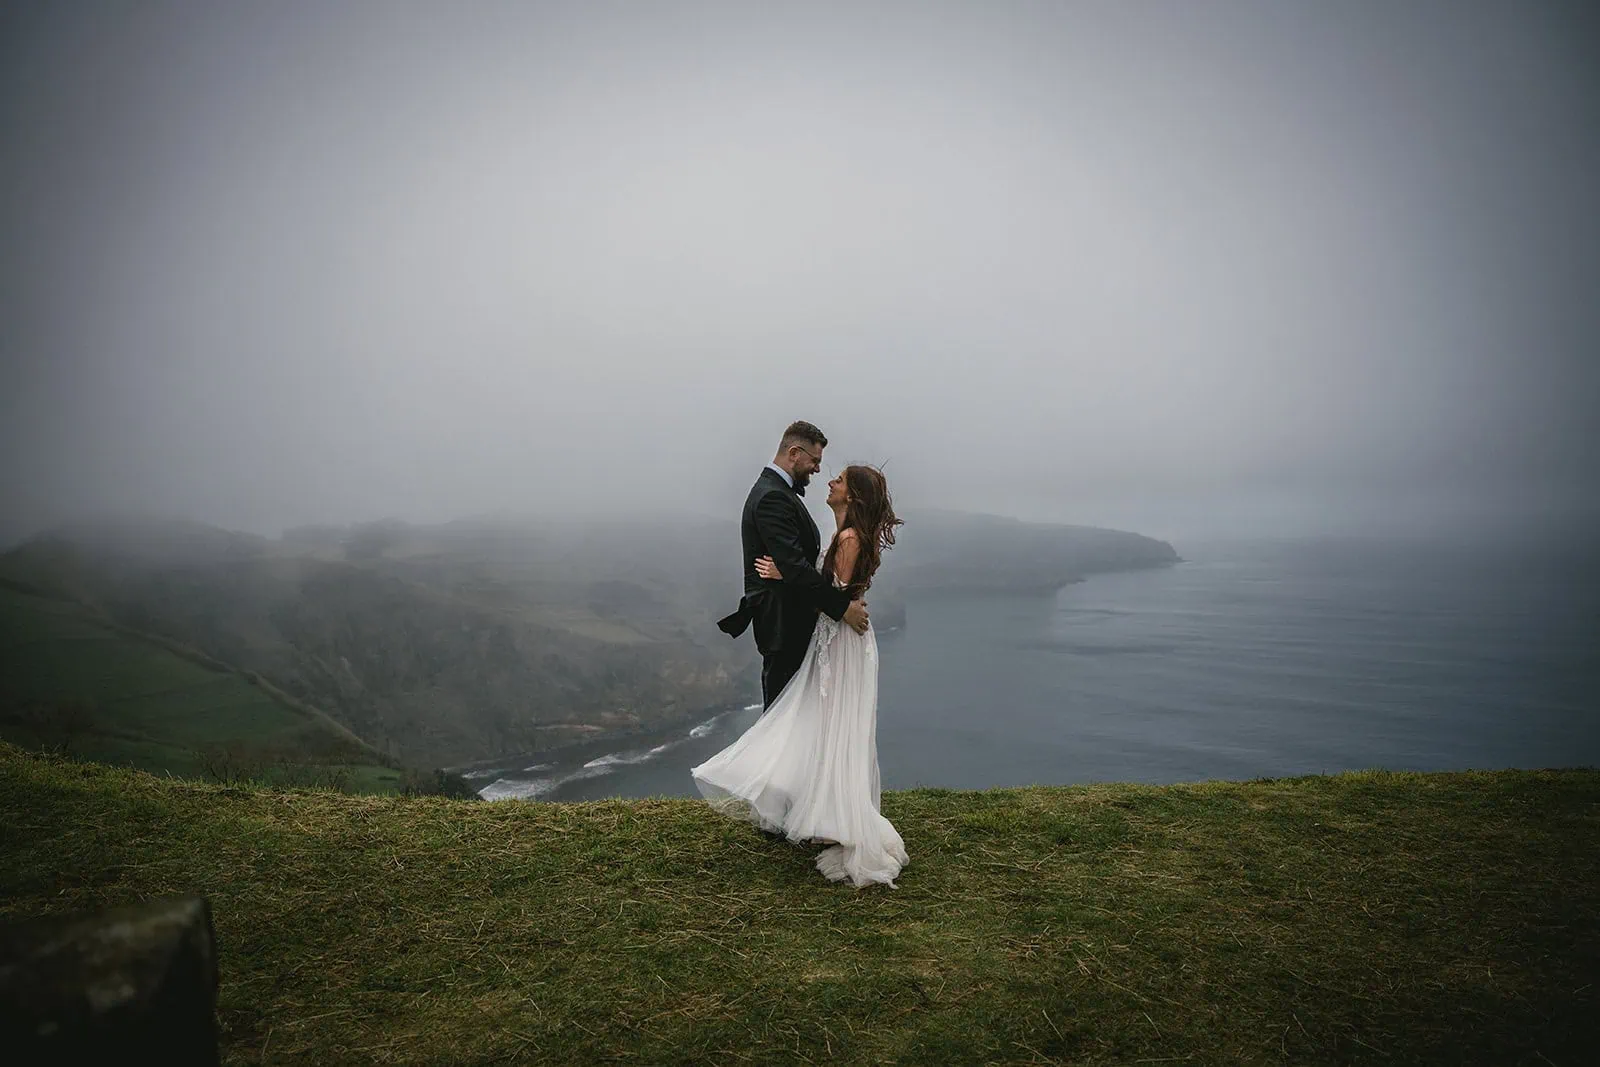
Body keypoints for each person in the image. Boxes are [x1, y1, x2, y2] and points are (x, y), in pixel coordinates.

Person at [696, 460, 908, 888]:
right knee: (827, 723)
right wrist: (795, 575)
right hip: (836, 639)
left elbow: (830, 596)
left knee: (831, 722)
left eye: (840, 480)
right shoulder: (845, 534)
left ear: (853, 496)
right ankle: (824, 814)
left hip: (841, 642)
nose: (830, 481)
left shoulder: (849, 538)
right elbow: (828, 586)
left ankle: (830, 817)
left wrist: (788, 576)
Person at [717, 421, 870, 709]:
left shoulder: (776, 492)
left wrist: (787, 571)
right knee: (781, 721)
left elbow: (793, 566)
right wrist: (843, 608)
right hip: (784, 627)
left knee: (792, 720)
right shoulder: (772, 497)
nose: (817, 469)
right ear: (794, 453)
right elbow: (796, 567)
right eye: (815, 461)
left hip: (793, 626)